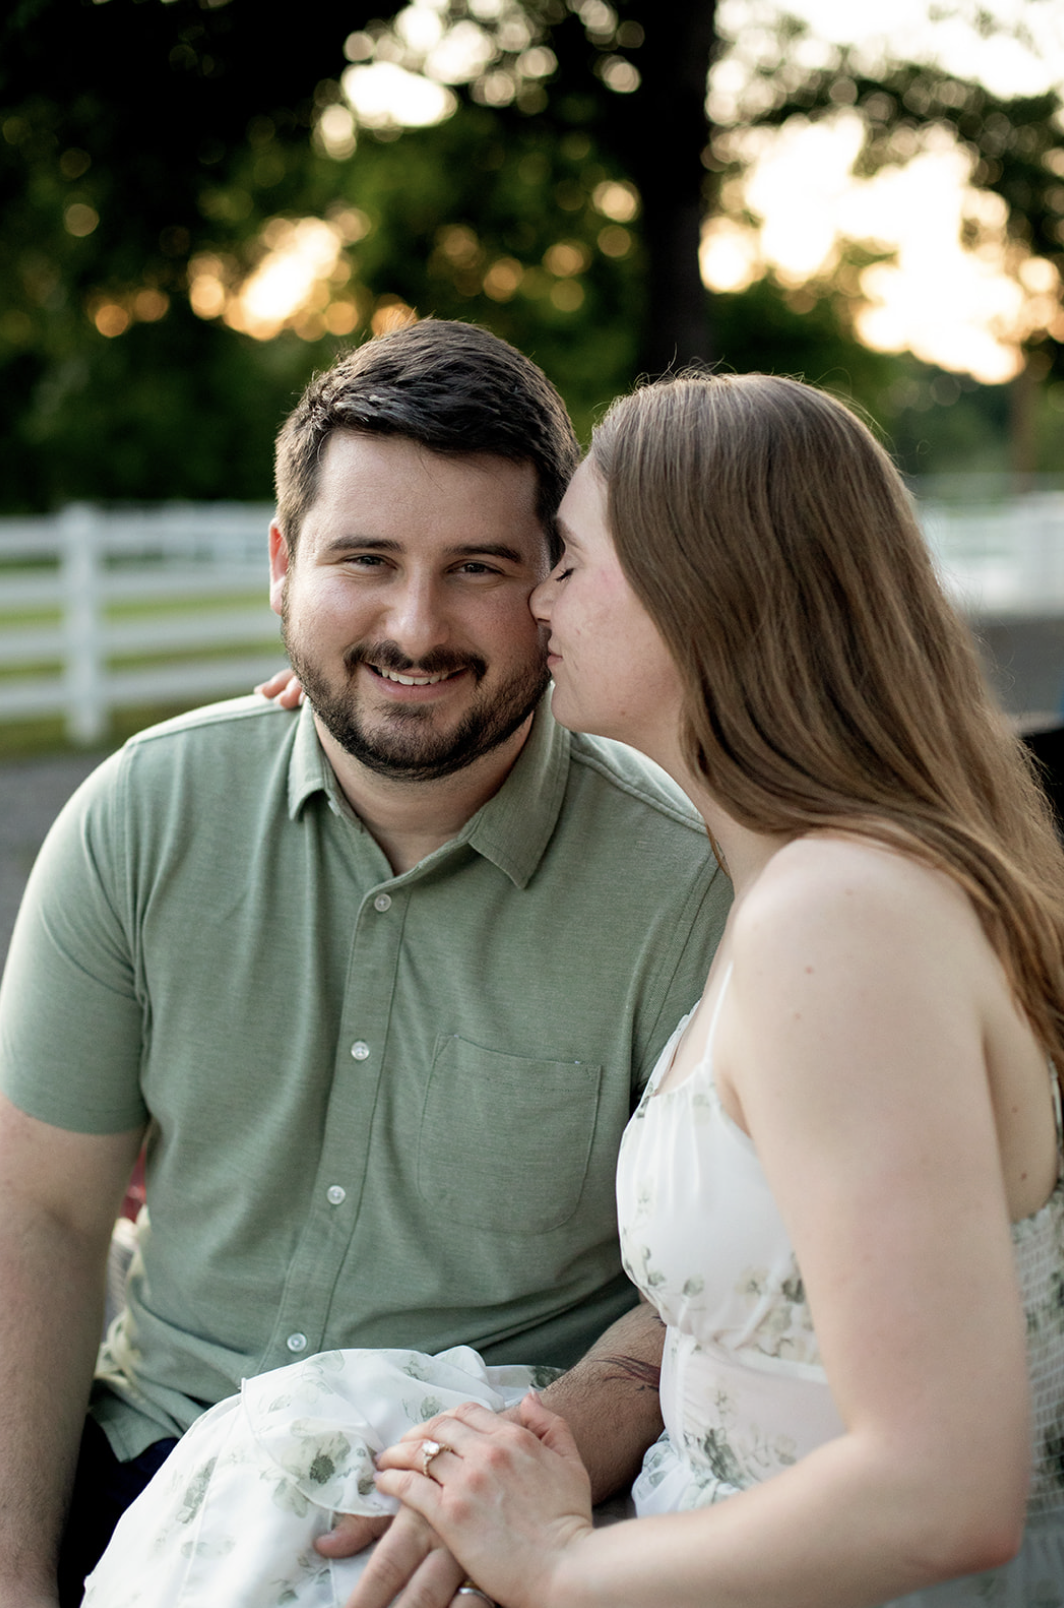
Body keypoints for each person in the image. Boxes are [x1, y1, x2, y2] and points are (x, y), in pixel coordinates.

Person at [0, 321, 730, 1608]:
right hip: (153, 1451)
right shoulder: (141, 817)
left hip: (473, 1500)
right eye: (366, 561)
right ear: (283, 568)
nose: (414, 626)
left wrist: (530, 1470)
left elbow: (708, 1283)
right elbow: (42, 1216)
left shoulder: (681, 882)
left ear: (552, 585)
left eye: (476, 569)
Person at [349, 373, 1064, 1606]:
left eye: (568, 559)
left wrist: (562, 1568)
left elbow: (943, 1488)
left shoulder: (838, 922)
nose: (536, 598)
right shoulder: (807, 882)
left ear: (701, 586)